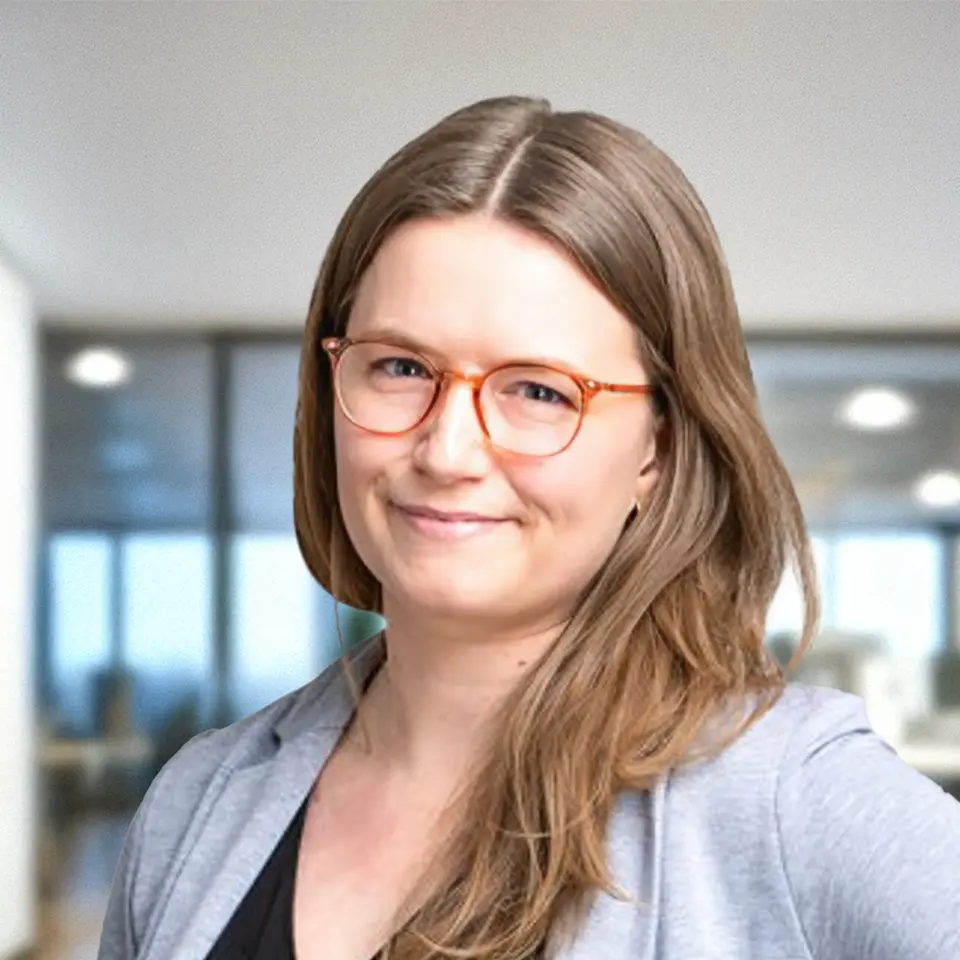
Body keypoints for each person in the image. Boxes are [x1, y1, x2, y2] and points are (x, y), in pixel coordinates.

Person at [97, 96, 960, 960]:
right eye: (400, 367)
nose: (448, 450)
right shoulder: (196, 804)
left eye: (540, 390)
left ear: (657, 449)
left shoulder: (790, 795)